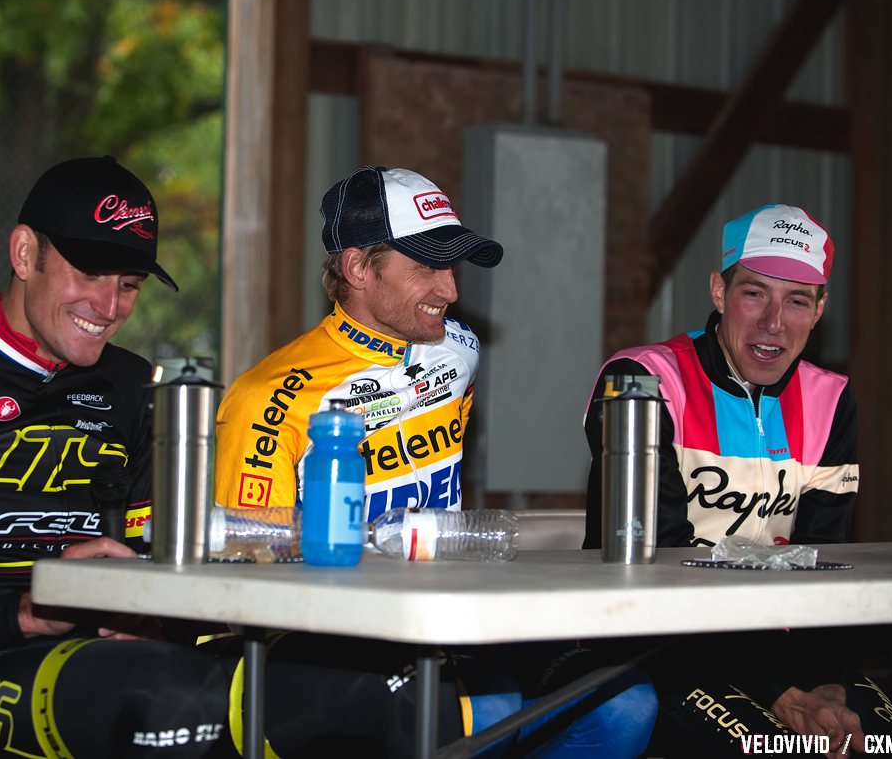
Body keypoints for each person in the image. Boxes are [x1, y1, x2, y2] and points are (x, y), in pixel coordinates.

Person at [0, 156, 568, 758]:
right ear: (25, 252)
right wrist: (20, 613)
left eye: (128, 283)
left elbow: (175, 570)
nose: (108, 306)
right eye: (88, 273)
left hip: (121, 661)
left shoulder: (134, 385)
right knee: (224, 706)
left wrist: (161, 612)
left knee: (398, 689)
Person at [216, 165, 658, 757]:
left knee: (625, 701)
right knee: (489, 711)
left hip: (450, 612)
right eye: (425, 265)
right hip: (327, 633)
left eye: (451, 266)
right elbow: (240, 561)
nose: (449, 290)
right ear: (356, 268)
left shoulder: (459, 350)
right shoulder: (268, 396)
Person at [580, 203, 892, 755]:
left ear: (820, 309)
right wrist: (783, 691)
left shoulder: (831, 399)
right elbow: (665, 565)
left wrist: (822, 681)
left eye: (797, 300)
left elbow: (824, 557)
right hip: (653, 642)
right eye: (754, 293)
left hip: (786, 649)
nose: (773, 322)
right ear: (718, 292)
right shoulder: (642, 379)